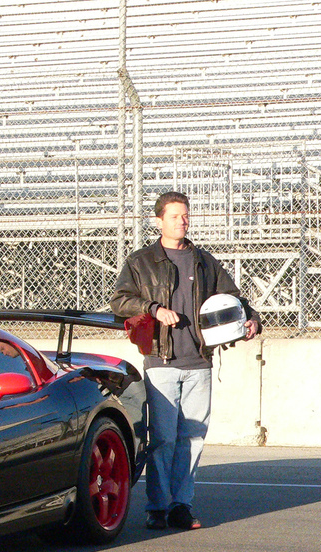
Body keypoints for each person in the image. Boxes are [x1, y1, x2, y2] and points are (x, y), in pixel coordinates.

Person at [110, 191, 260, 531]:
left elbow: (234, 299)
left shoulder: (204, 261)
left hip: (199, 363)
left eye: (186, 215)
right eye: (176, 216)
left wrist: (251, 318)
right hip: (161, 361)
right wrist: (153, 310)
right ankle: (157, 507)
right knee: (163, 438)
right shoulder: (141, 261)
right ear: (159, 220)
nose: (183, 221)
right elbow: (120, 301)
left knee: (192, 437)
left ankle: (181, 505)